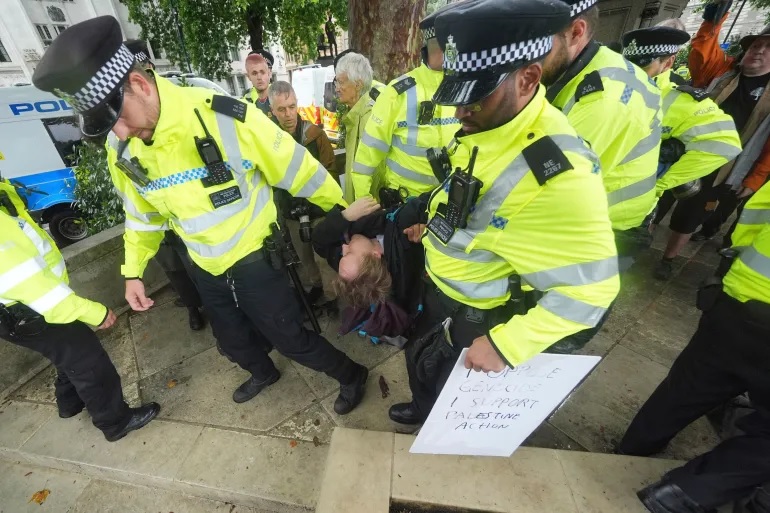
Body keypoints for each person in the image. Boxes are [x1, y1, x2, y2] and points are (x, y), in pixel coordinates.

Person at [32, 16, 368, 414]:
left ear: (140, 85)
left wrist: (346, 219)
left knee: (291, 339)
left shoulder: (224, 118)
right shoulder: (124, 148)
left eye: (118, 117)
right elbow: (142, 215)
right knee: (231, 341)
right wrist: (133, 272)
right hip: (205, 266)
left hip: (257, 261)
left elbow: (300, 170)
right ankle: (263, 373)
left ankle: (352, 375)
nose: (119, 133)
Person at [388, 0, 620, 425]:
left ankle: (438, 435)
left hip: (473, 319)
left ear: (527, 78)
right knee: (420, 366)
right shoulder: (491, 126)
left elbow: (593, 291)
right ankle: (422, 410)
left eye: (474, 97)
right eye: (456, 95)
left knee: (451, 403)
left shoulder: (559, 176)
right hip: (439, 296)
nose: (459, 112)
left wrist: (506, 346)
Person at [617, 180, 770, 513]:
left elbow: (752, 220)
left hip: (740, 300)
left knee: (687, 386)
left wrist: (735, 275)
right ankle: (686, 491)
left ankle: (631, 449)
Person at [0, 177, 160, 441]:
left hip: (22, 311)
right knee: (88, 362)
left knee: (67, 354)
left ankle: (69, 402)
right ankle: (115, 422)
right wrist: (94, 313)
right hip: (33, 309)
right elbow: (31, 286)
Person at [541, 0, 661, 260]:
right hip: (586, 211)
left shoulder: (607, 97)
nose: (523, 54)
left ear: (576, 32)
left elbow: (551, 180)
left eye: (534, 40)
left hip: (609, 225)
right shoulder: (582, 66)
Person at [621, 23, 742, 280]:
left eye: (644, 64)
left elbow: (724, 143)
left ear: (668, 62)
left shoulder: (679, 100)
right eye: (630, 62)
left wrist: (661, 181)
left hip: (626, 215)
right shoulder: (607, 85)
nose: (634, 71)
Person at [125, 38, 205, 329]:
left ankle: (210, 307)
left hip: (186, 214)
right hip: (155, 213)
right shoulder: (124, 128)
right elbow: (126, 184)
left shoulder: (180, 106)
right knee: (174, 269)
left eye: (145, 67)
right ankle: (193, 309)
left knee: (197, 268)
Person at [350, 6, 460, 201]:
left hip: (452, 204)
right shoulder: (397, 93)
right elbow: (367, 155)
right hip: (406, 206)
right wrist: (362, 202)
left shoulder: (467, 89)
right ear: (443, 48)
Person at [686, 2, 770, 246]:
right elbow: (701, 55)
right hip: (696, 151)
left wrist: (755, 178)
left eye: (768, 47)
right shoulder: (724, 71)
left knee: (718, 205)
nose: (759, 50)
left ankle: (708, 230)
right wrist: (712, 24)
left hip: (737, 165)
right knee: (676, 199)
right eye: (755, 45)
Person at [270, 80, 338, 306]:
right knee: (304, 256)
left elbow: (330, 171)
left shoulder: (315, 135)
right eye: (281, 109)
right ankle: (316, 287)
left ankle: (332, 296)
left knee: (323, 257)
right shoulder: (269, 139)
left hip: (318, 209)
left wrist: (318, 202)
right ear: (272, 110)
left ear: (297, 104)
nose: (288, 114)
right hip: (291, 211)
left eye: (292, 106)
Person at [312, 196, 427, 312]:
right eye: (349, 253)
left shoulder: (354, 271)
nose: (343, 247)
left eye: (343, 255)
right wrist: (429, 228)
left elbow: (319, 242)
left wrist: (345, 216)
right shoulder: (407, 232)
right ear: (375, 255)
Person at [335, 52, 384, 203]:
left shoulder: (369, 117)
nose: (337, 88)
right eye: (336, 82)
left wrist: (364, 208)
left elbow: (376, 171)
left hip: (367, 208)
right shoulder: (356, 114)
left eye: (341, 82)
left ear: (358, 85)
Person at [243, 50, 275, 119]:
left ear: (269, 73)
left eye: (262, 72)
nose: (259, 77)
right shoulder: (245, 100)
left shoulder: (280, 94)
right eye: (254, 73)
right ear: (249, 76)